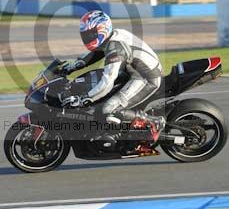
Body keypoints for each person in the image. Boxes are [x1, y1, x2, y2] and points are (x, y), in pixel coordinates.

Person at [60, 10, 165, 151]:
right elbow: (96, 53)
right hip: (132, 70)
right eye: (85, 35)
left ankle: (154, 122)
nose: (87, 38)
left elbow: (107, 83)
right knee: (96, 89)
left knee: (109, 107)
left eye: (90, 34)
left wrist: (84, 99)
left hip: (145, 77)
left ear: (102, 30)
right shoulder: (111, 37)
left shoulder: (116, 48)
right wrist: (72, 67)